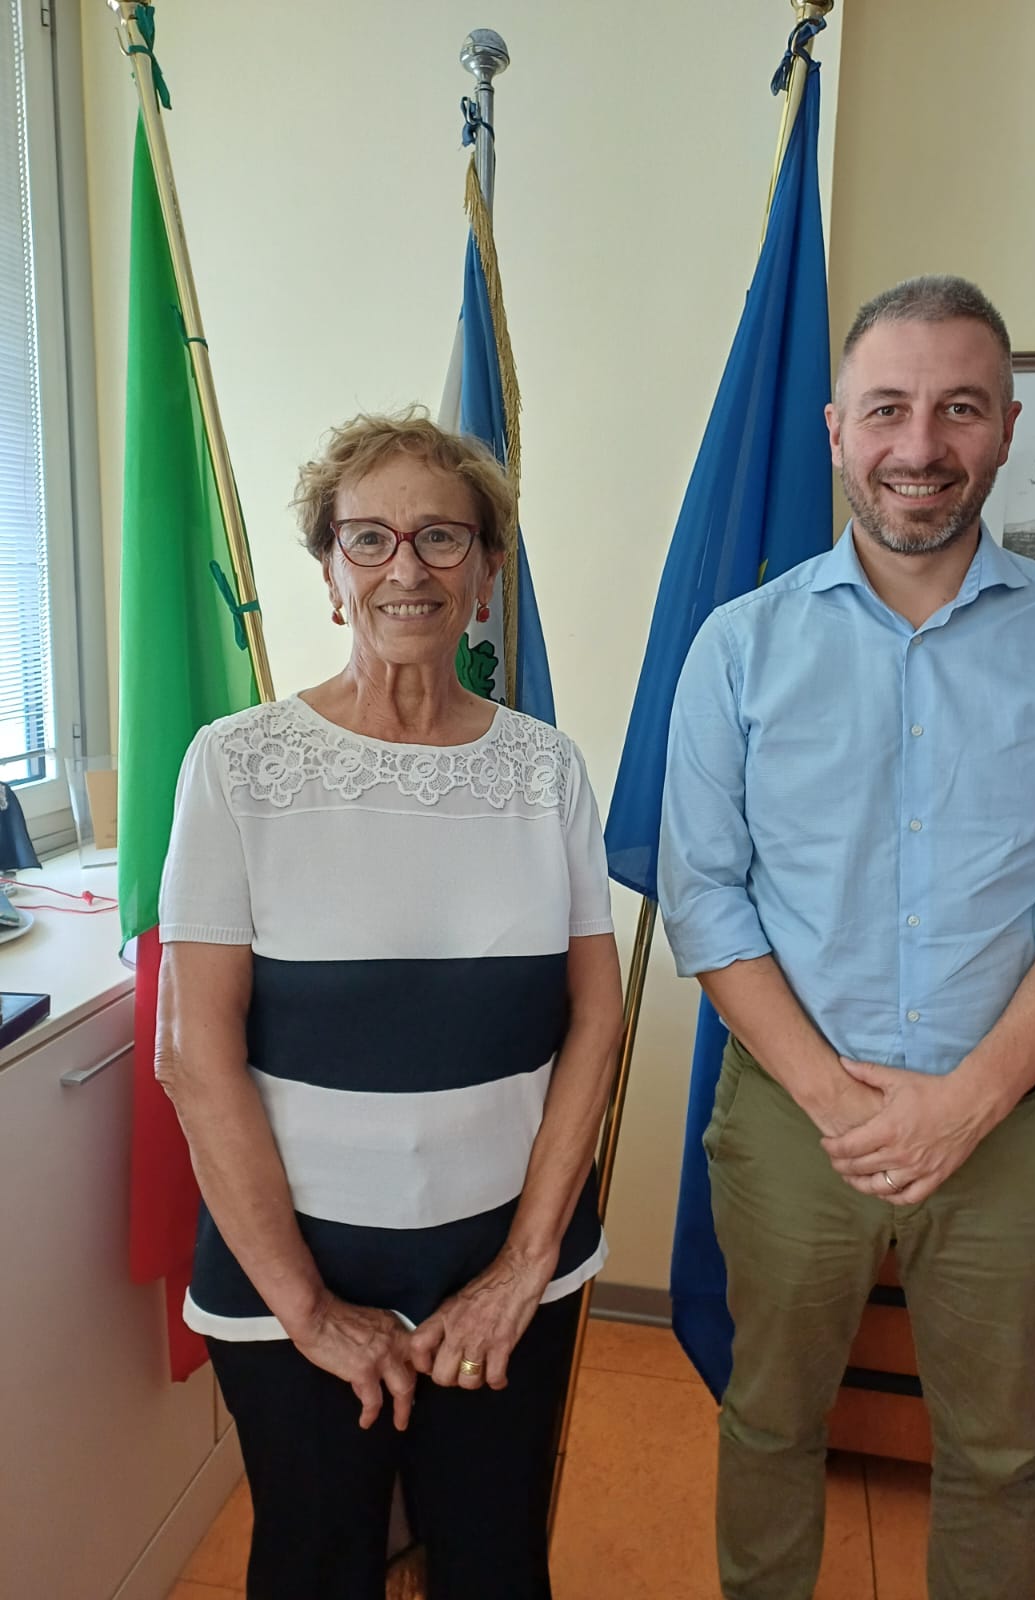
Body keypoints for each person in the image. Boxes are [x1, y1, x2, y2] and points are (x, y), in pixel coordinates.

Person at [658, 276, 1035, 1600]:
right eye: (887, 409)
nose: (920, 447)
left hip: (1000, 1120)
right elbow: (706, 895)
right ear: (837, 429)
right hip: (789, 1114)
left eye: (957, 409)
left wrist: (963, 1107)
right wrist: (836, 1099)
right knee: (770, 1424)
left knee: (998, 1454)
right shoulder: (738, 649)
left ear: (1006, 425)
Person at [155, 410, 623, 1600]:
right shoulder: (235, 764)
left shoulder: (545, 769)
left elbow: (594, 1022)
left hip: (508, 1272)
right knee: (315, 1563)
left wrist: (523, 1268)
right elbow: (194, 1054)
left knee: (496, 1562)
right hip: (292, 1279)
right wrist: (311, 1311)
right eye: (367, 538)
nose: (404, 567)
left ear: (486, 576)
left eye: (441, 538)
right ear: (328, 573)